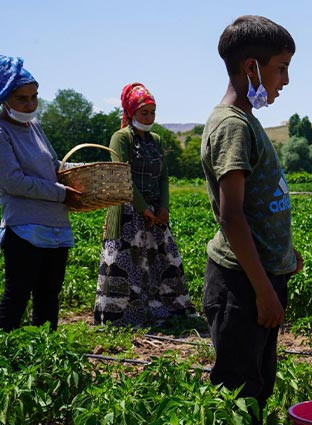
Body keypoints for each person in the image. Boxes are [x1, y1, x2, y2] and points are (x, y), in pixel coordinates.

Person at [200, 15, 303, 425]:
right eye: (280, 68)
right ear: (251, 68)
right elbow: (232, 215)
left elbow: (260, 207)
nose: (285, 80)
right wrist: (262, 290)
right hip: (241, 285)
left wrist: (282, 255)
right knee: (238, 392)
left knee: (258, 385)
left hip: (259, 276)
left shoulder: (246, 121)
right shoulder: (232, 126)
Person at [93, 82, 194, 326]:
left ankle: (164, 312)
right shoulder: (121, 138)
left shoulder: (155, 140)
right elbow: (123, 175)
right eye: (144, 113)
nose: (149, 118)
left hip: (155, 212)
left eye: (152, 112)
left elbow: (163, 176)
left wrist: (163, 208)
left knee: (162, 261)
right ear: (130, 113)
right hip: (129, 211)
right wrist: (143, 209)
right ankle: (121, 317)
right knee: (126, 264)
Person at [0, 55, 83, 331]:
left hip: (55, 226)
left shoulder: (34, 126)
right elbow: (14, 182)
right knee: (17, 298)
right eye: (22, 98)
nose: (30, 104)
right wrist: (62, 194)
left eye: (34, 96)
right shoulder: (1, 132)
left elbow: (54, 164)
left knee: (48, 297)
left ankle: (46, 358)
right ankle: (7, 359)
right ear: (4, 98)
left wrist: (85, 172)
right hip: (25, 228)